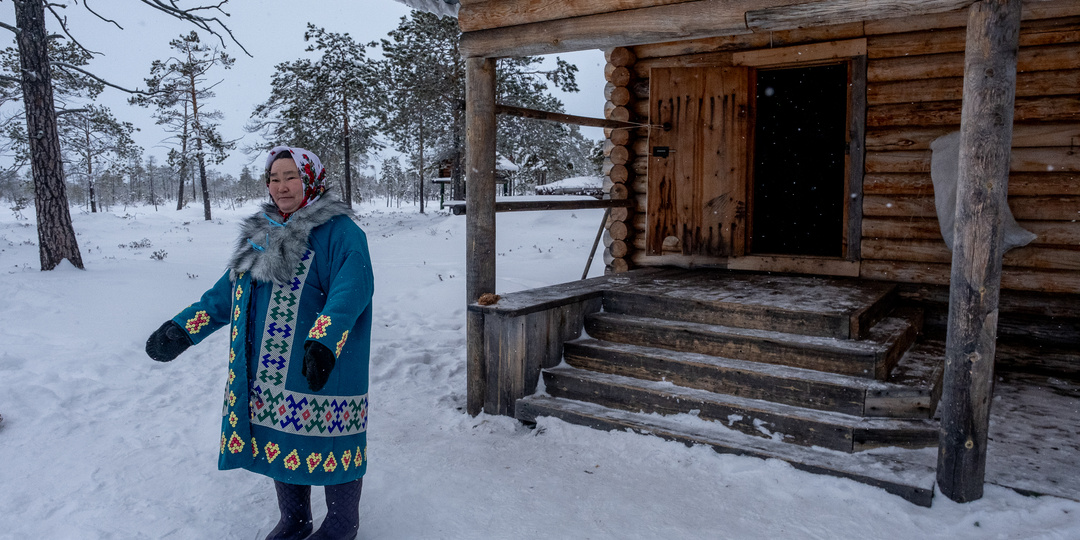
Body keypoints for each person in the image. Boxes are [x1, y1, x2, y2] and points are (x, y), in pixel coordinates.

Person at [145, 146, 374, 540]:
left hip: (320, 363)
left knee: (333, 440)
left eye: (291, 177)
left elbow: (351, 291)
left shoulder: (341, 233)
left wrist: (323, 342)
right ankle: (295, 520)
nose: (281, 187)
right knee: (281, 438)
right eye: (274, 178)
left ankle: (341, 525)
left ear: (311, 180)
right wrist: (183, 329)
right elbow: (228, 293)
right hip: (269, 373)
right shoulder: (262, 234)